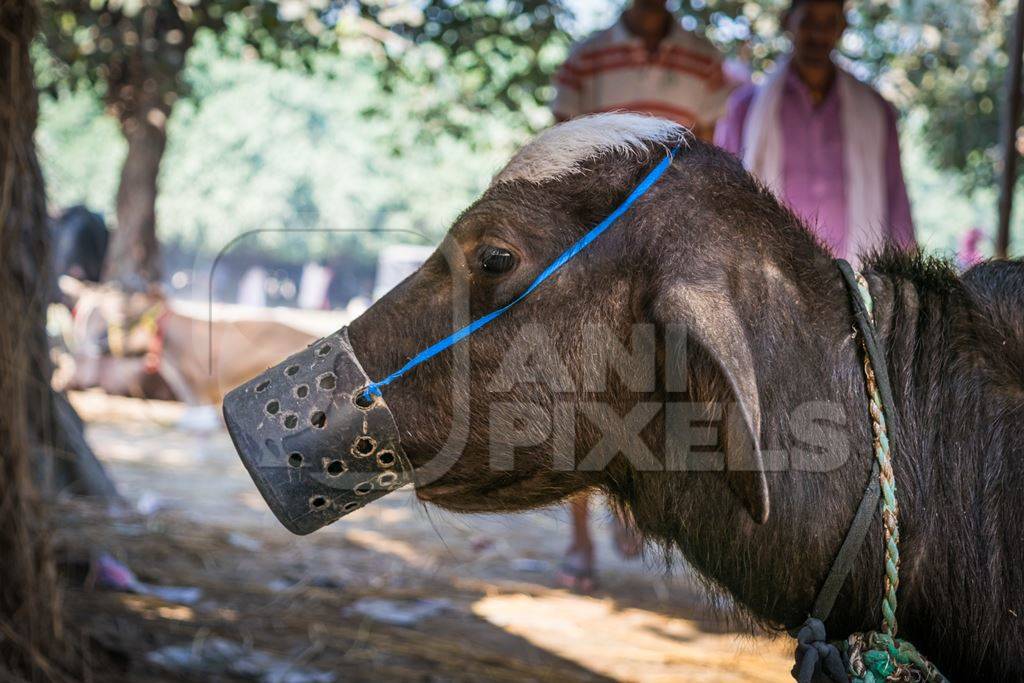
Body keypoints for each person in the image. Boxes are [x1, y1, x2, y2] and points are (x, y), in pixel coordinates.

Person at [551, 0, 735, 591]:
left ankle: (630, 509)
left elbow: (701, 160)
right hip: (595, 241)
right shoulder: (586, 59)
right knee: (579, 377)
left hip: (668, 246)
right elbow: (564, 156)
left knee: (655, 378)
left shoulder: (705, 61)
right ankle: (579, 534)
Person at [715, 0, 915, 264]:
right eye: (808, 21)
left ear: (842, 27)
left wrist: (906, 275)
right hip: (773, 274)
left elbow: (897, 206)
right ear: (788, 21)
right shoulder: (745, 109)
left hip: (856, 280)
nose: (818, 34)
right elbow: (724, 199)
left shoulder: (876, 111)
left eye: (828, 23)